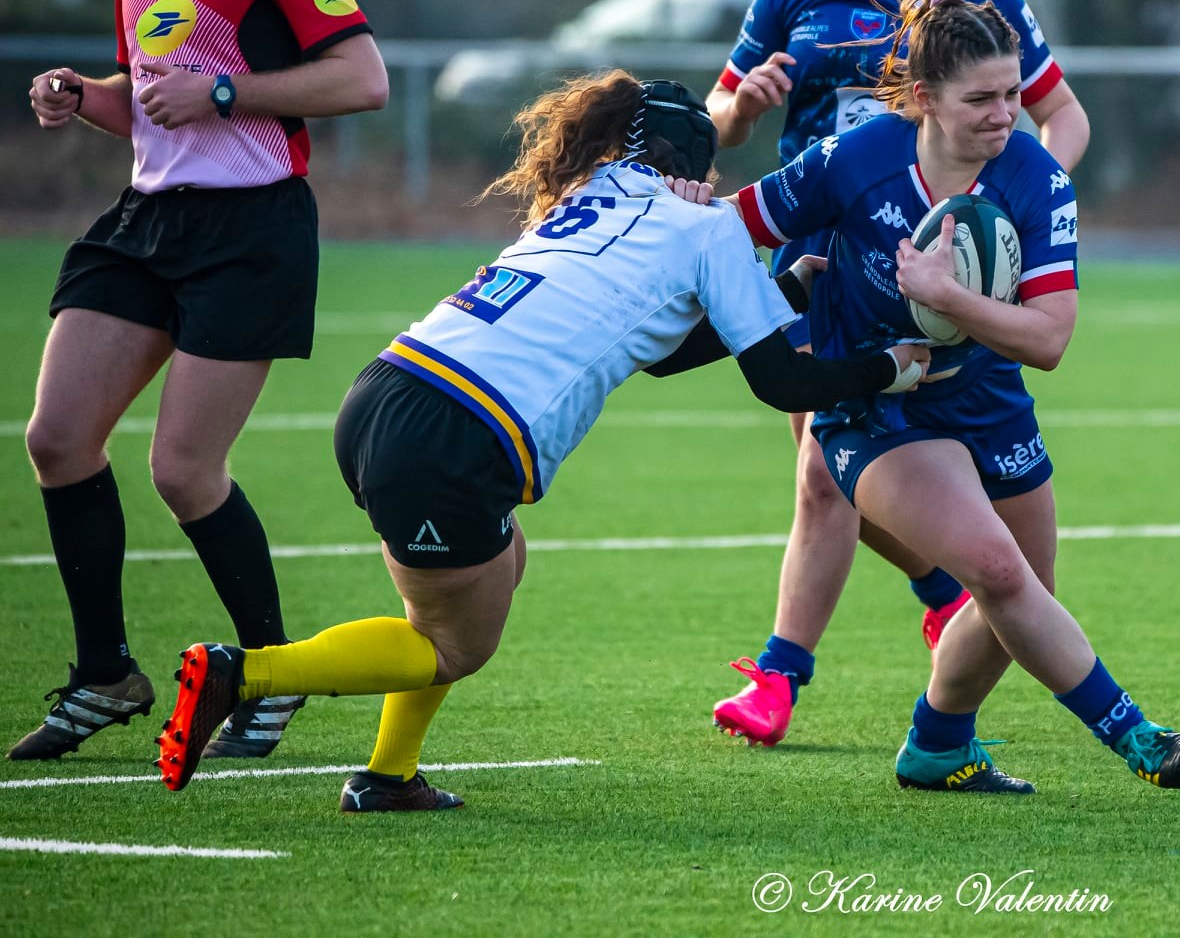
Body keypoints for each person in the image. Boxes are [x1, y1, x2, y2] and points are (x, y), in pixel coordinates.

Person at [154, 73, 932, 809]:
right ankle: (246, 674)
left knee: (502, 564)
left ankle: (389, 777)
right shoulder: (707, 227)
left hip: (386, 393)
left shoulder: (590, 192)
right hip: (458, 436)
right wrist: (886, 369)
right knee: (453, 646)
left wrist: (784, 290)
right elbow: (783, 386)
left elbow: (656, 349)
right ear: (696, 166)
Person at [722, 0, 1180, 792]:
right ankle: (1137, 736)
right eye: (981, 98)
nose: (1005, 114)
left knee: (1022, 593)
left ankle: (939, 742)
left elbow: (1051, 340)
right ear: (923, 99)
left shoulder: (1037, 179)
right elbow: (734, 228)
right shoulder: (855, 159)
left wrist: (950, 297)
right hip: (875, 407)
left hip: (987, 402)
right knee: (1001, 572)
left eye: (1013, 93)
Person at [13, 0, 389, 762]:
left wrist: (226, 90)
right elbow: (154, 114)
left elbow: (364, 80)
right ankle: (104, 673)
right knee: (55, 440)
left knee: (183, 468)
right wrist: (83, 98)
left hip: (252, 229)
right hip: (146, 219)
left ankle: (269, 674)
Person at [706, 0, 1090, 747]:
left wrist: (1014, 223)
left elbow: (1063, 115)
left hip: (939, 273)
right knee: (834, 472)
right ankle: (939, 588)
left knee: (826, 472)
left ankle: (780, 676)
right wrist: (739, 109)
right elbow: (721, 116)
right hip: (818, 266)